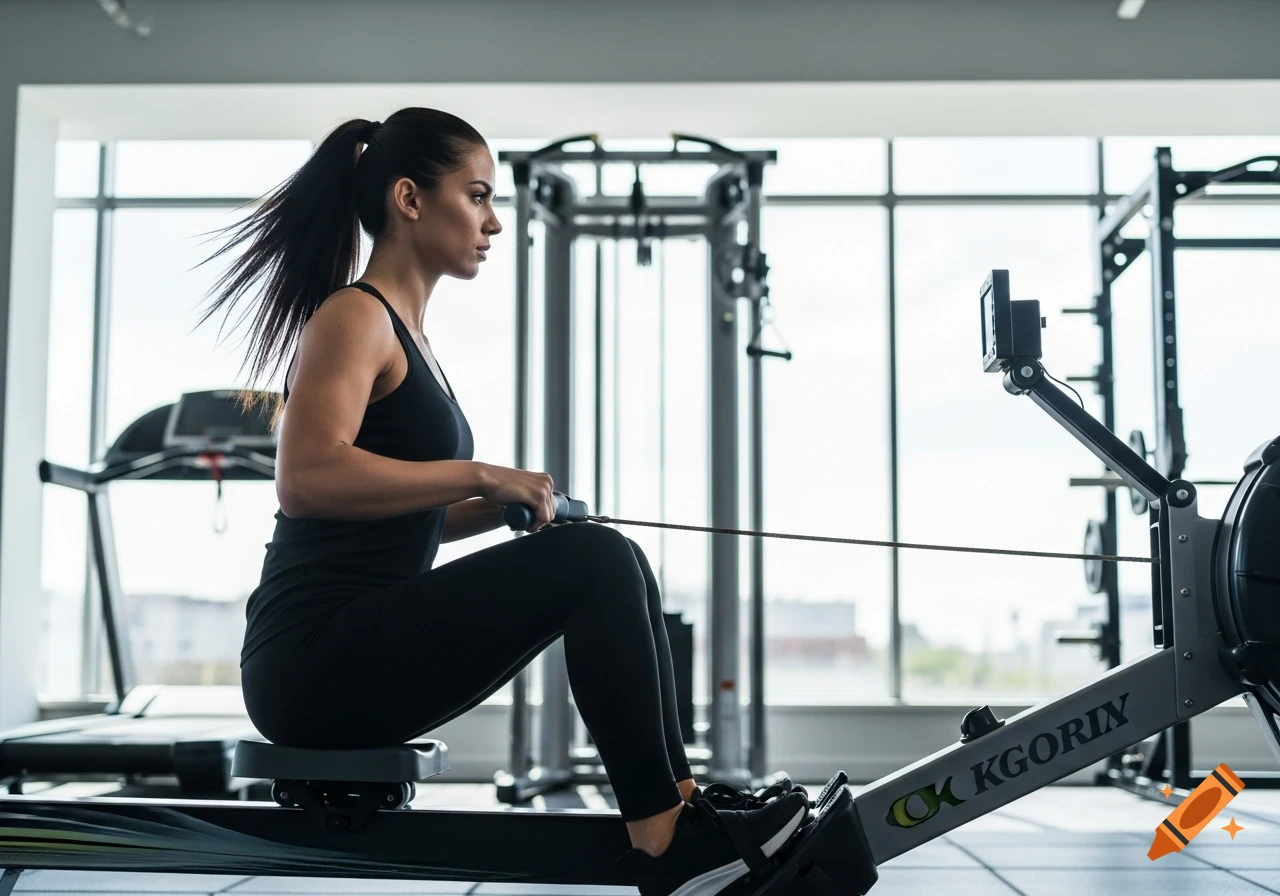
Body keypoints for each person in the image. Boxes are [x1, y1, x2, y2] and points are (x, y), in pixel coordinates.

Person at [198, 107, 808, 896]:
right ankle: (662, 840)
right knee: (592, 563)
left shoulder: (410, 335)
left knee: (610, 554)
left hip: (359, 640)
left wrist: (515, 502)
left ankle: (683, 808)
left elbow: (405, 518)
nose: (491, 221)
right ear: (410, 199)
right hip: (310, 660)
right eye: (477, 196)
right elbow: (308, 479)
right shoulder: (356, 316)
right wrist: (484, 476)